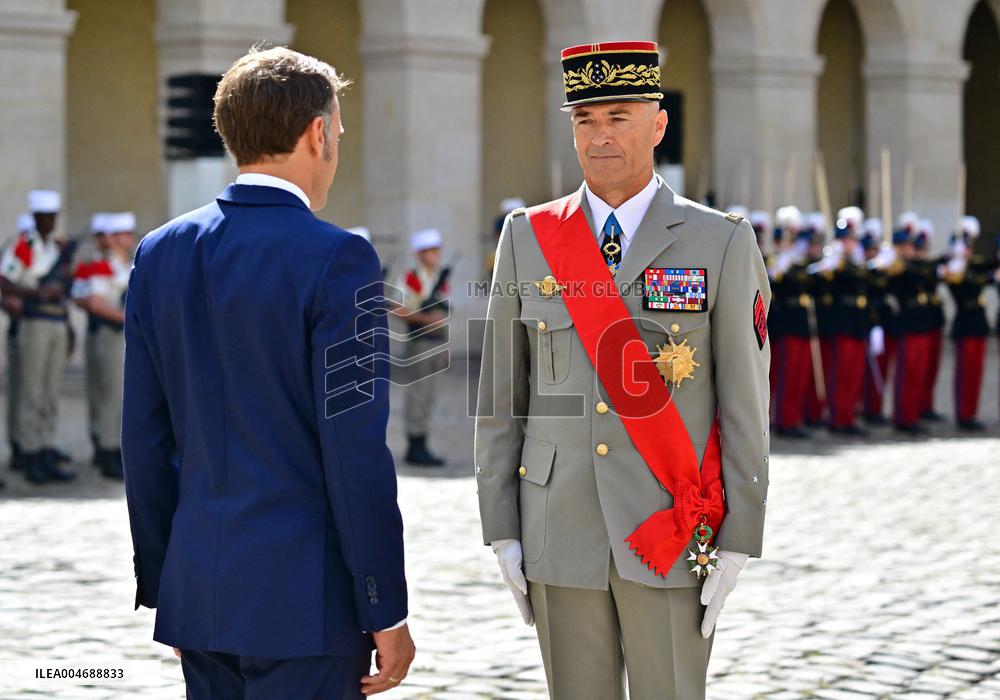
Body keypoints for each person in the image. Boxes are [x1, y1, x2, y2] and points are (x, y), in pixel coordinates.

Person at [476, 41, 770, 699]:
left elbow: (746, 398)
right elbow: (502, 396)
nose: (600, 135)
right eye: (585, 120)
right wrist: (500, 525)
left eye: (618, 116)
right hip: (559, 523)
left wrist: (741, 531)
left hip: (669, 523)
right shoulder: (526, 236)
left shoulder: (719, 240)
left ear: (658, 125)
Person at [121, 47, 413, 699]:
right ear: (317, 133)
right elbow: (354, 450)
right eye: (337, 131)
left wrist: (170, 578)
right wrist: (384, 605)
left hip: (199, 590)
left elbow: (143, 437)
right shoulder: (341, 257)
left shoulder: (160, 251)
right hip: (304, 602)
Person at [0, 190, 76, 484]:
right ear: (34, 217)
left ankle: (44, 445)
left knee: (48, 391)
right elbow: (5, 279)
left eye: (52, 216)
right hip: (34, 321)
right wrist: (38, 292)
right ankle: (30, 451)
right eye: (44, 216)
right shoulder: (25, 245)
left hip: (55, 320)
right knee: (31, 391)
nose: (49, 221)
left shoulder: (55, 248)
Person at [71, 212, 135, 479]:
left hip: (118, 333)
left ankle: (108, 447)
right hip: (111, 332)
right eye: (124, 234)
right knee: (110, 395)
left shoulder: (125, 264)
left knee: (114, 393)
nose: (130, 239)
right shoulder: (103, 265)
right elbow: (95, 302)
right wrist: (129, 318)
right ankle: (108, 450)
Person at [392, 228, 450, 466]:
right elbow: (397, 308)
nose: (435, 255)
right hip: (420, 342)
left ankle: (422, 441)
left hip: (438, 342)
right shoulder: (411, 279)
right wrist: (427, 319)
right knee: (418, 395)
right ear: (420, 254)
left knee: (429, 395)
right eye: (430, 251)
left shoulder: (438, 278)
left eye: (437, 250)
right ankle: (415, 444)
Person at [943, 216, 994, 430]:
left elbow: (988, 268)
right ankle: (964, 414)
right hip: (965, 322)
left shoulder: (972, 267)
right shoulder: (956, 271)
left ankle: (970, 412)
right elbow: (968, 288)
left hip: (978, 324)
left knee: (976, 373)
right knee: (965, 373)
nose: (968, 250)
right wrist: (956, 262)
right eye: (965, 246)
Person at [768, 207, 814, 438]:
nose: (792, 242)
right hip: (784, 321)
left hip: (801, 321)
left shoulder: (799, 262)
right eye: (788, 238)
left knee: (799, 374)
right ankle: (784, 420)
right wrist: (779, 265)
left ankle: (795, 417)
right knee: (784, 374)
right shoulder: (774, 261)